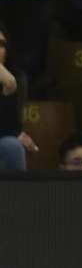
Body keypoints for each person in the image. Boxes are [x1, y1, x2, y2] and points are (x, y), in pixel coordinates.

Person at [0, 20, 26, 170]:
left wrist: (8, 88)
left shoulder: (12, 79)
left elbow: (10, 130)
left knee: (12, 146)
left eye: (1, 45)